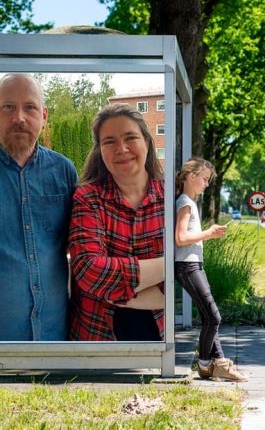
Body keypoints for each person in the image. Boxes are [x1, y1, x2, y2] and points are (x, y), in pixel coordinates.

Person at [68, 103, 165, 341]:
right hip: (96, 339)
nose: (121, 149)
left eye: (130, 137)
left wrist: (114, 287)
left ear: (147, 142)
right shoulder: (87, 198)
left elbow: (192, 267)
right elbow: (89, 271)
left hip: (161, 340)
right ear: (99, 149)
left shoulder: (171, 197)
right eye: (109, 141)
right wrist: (167, 266)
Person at [0, 74, 78, 341]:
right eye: (7, 107)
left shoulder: (64, 171)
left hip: (55, 335)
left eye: (29, 107)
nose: (19, 117)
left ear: (43, 115)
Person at [175, 157, 248, 381]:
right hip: (187, 266)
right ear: (191, 176)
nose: (207, 184)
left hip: (194, 264)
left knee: (210, 315)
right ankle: (206, 364)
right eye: (205, 179)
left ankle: (218, 364)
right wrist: (210, 233)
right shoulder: (185, 202)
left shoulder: (188, 201)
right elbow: (180, 238)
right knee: (213, 317)